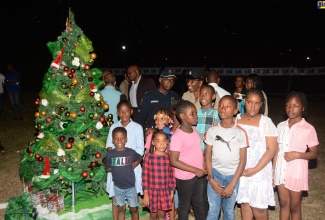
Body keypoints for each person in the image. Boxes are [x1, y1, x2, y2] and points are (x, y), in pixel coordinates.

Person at [273, 91, 319, 220]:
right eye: (288, 105)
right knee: (283, 204)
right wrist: (273, 170)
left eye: (295, 105)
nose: (290, 108)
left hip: (297, 170)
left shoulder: (308, 128)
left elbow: (314, 153)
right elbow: (277, 150)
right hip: (280, 170)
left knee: (294, 206)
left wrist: (297, 154)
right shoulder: (281, 126)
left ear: (303, 108)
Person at [235, 88, 278, 220]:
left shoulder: (266, 122)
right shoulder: (237, 120)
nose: (252, 107)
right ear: (244, 102)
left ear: (261, 104)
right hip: (242, 169)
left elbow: (272, 149)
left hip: (259, 170)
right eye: (249, 102)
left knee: (259, 209)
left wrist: (255, 170)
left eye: (257, 103)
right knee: (245, 205)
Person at [205, 95, 248, 220]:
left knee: (229, 210)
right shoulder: (212, 131)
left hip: (232, 176)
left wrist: (232, 184)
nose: (223, 109)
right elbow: (207, 156)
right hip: (215, 174)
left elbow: (243, 160)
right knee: (213, 208)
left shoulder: (240, 133)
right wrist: (211, 178)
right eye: (220, 105)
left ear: (235, 111)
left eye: (228, 106)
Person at [106, 100, 144, 220]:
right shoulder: (114, 126)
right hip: (117, 166)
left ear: (131, 112)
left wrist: (135, 162)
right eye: (121, 111)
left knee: (133, 196)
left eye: (126, 110)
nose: (124, 113)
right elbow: (109, 145)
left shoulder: (137, 127)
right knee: (116, 197)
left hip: (132, 165)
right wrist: (114, 157)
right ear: (117, 113)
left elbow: (140, 148)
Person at [169, 100, 207, 220]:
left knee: (199, 203)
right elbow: (173, 161)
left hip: (199, 174)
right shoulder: (177, 136)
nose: (196, 116)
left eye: (195, 113)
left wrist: (203, 164)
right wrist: (195, 169)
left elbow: (197, 151)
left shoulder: (194, 129)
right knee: (184, 205)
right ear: (182, 116)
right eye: (192, 113)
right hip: (185, 177)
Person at [142, 131, 176, 220]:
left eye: (164, 141)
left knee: (162, 215)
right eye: (158, 141)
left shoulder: (169, 157)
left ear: (168, 142)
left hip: (164, 192)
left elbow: (172, 175)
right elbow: (144, 176)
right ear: (153, 142)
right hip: (152, 192)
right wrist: (146, 194)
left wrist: (172, 192)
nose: (161, 144)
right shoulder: (149, 157)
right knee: (153, 215)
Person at [197, 84, 220, 152]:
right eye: (201, 94)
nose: (203, 96)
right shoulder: (195, 113)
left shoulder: (218, 115)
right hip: (197, 150)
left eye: (206, 94)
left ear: (213, 96)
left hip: (211, 151)